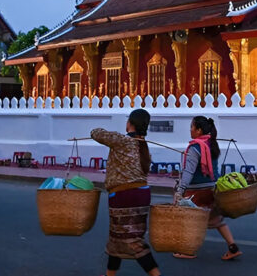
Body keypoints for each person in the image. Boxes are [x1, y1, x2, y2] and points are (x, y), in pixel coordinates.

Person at [90, 109, 161, 276]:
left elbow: (96, 133)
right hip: (141, 193)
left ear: (130, 123)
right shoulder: (143, 146)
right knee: (118, 237)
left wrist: (116, 135)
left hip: (124, 195)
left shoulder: (122, 141)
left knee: (133, 241)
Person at [173, 116, 242, 260]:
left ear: (198, 130)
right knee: (217, 220)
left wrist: (180, 190)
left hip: (196, 191)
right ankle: (232, 247)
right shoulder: (211, 144)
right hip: (212, 189)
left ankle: (188, 251)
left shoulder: (194, 147)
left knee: (191, 220)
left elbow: (189, 171)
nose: (190, 130)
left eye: (192, 127)